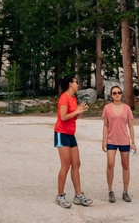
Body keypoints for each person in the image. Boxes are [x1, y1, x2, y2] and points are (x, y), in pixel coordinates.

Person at [54, 76, 93, 208]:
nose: (78, 84)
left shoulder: (73, 98)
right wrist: (76, 111)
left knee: (76, 163)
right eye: (76, 82)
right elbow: (63, 117)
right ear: (70, 84)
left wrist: (79, 112)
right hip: (61, 133)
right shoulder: (64, 98)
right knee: (65, 165)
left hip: (71, 134)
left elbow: (73, 117)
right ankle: (60, 196)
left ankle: (78, 195)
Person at [101, 84, 136, 203]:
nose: (117, 95)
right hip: (111, 139)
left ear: (122, 94)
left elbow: (131, 126)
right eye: (114, 93)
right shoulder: (107, 108)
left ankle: (125, 191)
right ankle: (110, 190)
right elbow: (105, 125)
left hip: (124, 140)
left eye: (119, 92)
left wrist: (133, 142)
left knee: (125, 165)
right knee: (110, 164)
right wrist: (103, 140)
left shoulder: (127, 108)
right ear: (111, 95)